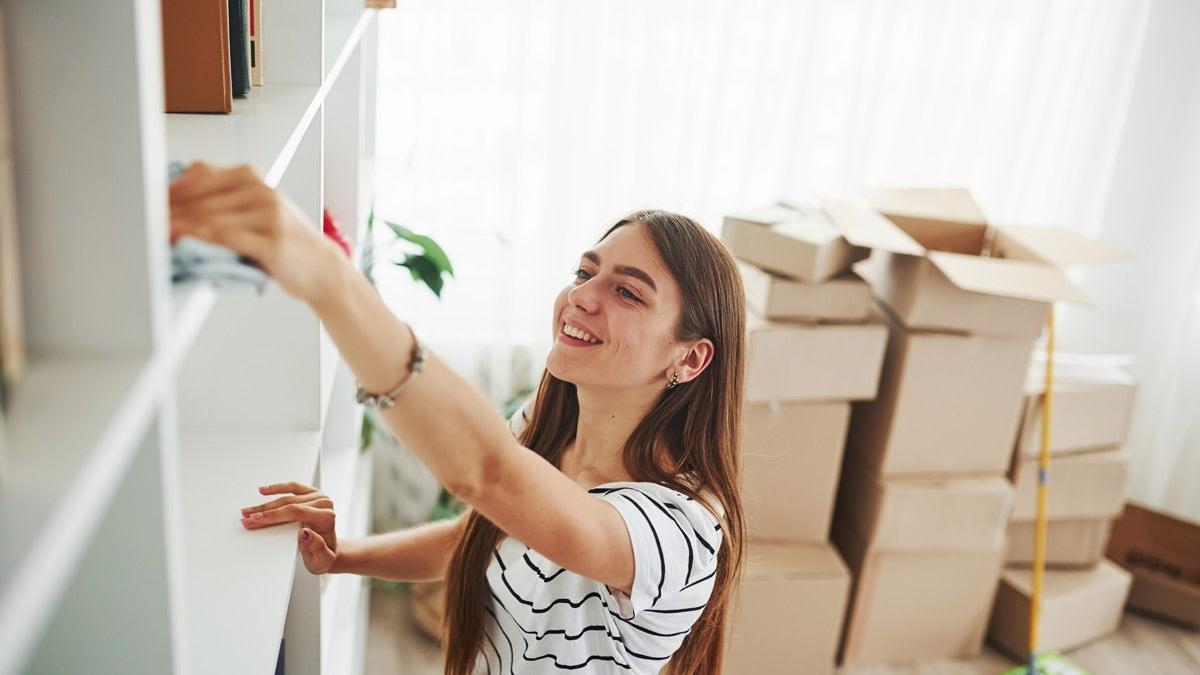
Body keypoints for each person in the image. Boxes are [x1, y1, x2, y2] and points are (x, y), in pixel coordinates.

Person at [169, 161, 747, 674]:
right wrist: (342, 556)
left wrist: (331, 278)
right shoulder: (552, 425)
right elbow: (477, 535)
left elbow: (487, 474)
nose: (582, 297)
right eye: (584, 272)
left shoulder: (679, 531)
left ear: (689, 358)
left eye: (628, 293)